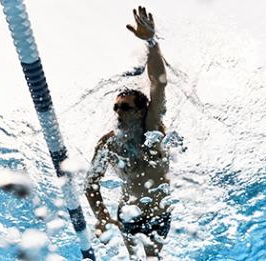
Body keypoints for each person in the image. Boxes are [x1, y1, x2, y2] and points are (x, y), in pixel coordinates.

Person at [85, 6, 171, 260]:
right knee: (133, 257)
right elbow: (91, 184)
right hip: (128, 213)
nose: (118, 112)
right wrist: (102, 218)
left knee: (152, 258)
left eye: (125, 107)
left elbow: (159, 84)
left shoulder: (152, 128)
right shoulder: (109, 144)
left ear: (141, 111)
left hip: (159, 213)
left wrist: (151, 42)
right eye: (116, 107)